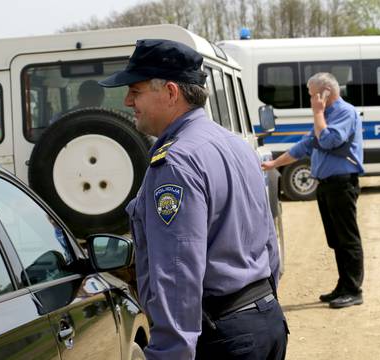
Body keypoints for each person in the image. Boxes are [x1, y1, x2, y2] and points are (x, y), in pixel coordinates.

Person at [99, 39, 288, 360]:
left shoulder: (176, 162)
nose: (128, 101)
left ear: (171, 92)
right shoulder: (235, 144)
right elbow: (269, 242)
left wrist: (170, 352)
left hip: (222, 335)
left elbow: (177, 272)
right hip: (264, 320)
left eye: (136, 90)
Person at [262, 72, 365, 309]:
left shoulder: (343, 113)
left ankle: (353, 290)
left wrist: (318, 113)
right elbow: (305, 146)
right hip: (327, 185)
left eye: (312, 96)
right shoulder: (326, 116)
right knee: (336, 239)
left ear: (325, 93)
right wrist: (274, 164)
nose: (310, 101)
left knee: (347, 239)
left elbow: (329, 141)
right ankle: (343, 285)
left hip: (342, 183)